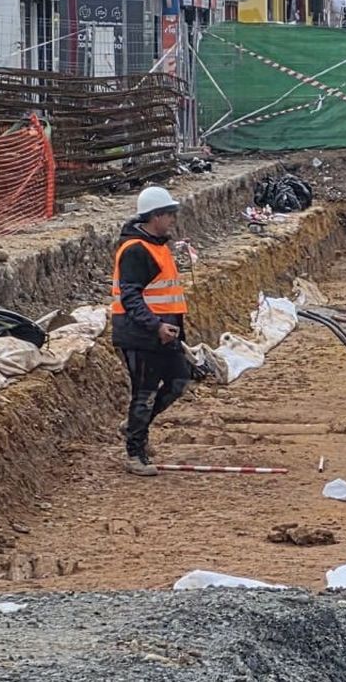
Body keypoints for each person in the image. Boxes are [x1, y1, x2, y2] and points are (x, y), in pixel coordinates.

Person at [110, 186, 191, 476]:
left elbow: (166, 294)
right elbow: (130, 296)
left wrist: (174, 332)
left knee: (179, 381)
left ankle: (135, 425)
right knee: (143, 394)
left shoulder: (158, 246)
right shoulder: (135, 250)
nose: (172, 219)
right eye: (169, 214)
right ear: (155, 216)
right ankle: (135, 453)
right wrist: (155, 326)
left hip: (163, 333)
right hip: (141, 335)